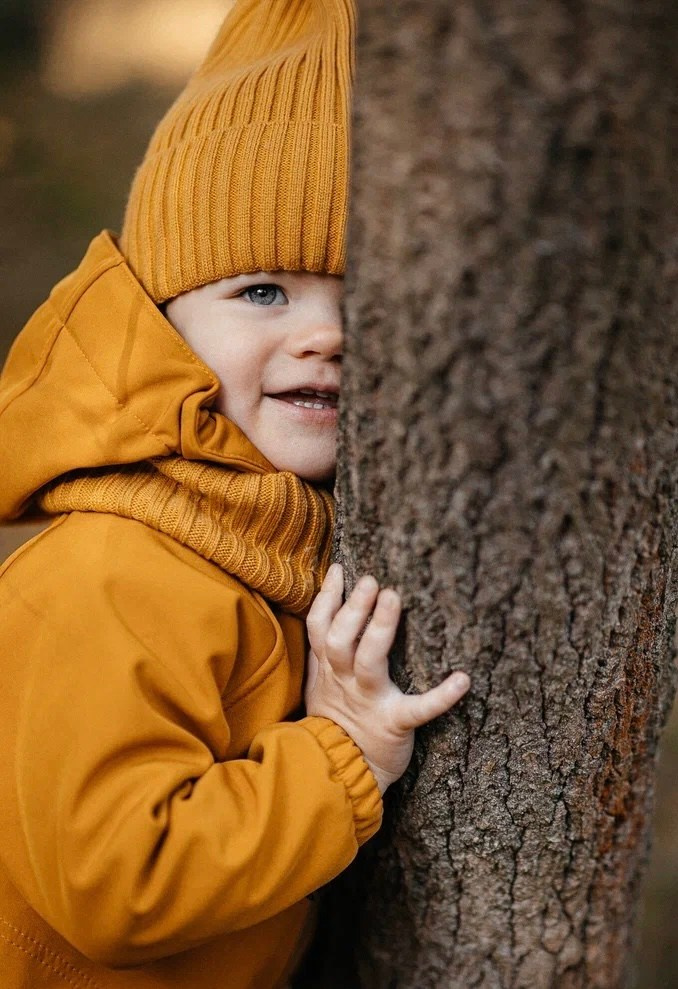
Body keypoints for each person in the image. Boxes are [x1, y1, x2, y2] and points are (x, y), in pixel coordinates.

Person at [0, 1, 471, 986]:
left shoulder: (255, 544)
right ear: (164, 319)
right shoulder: (112, 573)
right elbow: (119, 878)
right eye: (263, 291)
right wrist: (342, 752)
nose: (326, 334)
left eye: (365, 297)